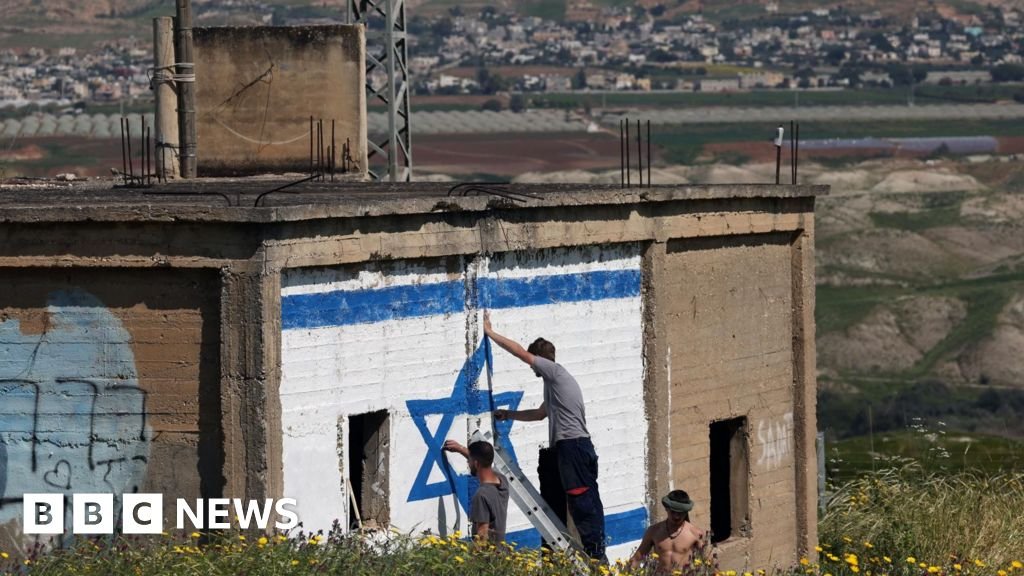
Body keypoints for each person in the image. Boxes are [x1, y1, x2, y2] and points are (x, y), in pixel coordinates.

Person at [484, 310, 607, 561]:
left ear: (540, 359)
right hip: (566, 449)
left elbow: (520, 353)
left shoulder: (555, 372)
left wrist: (490, 333)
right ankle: (560, 556)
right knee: (561, 502)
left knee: (582, 502)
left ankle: (597, 557)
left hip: (574, 447)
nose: (532, 368)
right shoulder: (554, 385)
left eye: (534, 363)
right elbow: (540, 414)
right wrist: (509, 415)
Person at [442, 439, 509, 544]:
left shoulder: (481, 495)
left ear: (476, 464)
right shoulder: (503, 481)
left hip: (489, 553)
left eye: (469, 461)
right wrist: (460, 449)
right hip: (501, 550)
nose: (468, 463)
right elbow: (483, 462)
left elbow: (482, 535)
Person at [629, 490, 707, 574]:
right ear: (666, 508)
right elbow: (637, 559)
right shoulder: (653, 531)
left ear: (686, 512)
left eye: (680, 513)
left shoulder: (695, 534)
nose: (676, 516)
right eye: (673, 512)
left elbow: (706, 562)